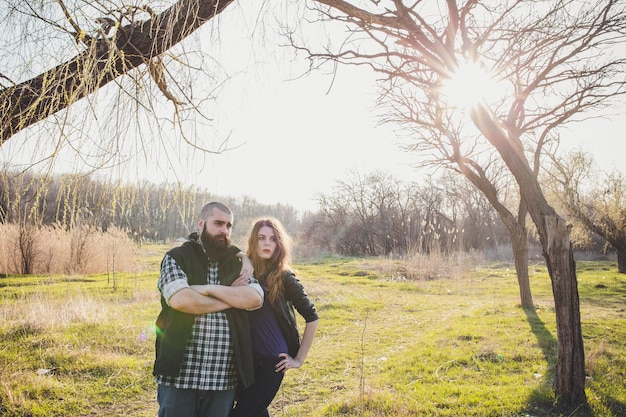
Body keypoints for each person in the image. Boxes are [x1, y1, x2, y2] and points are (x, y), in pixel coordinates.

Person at [153, 202, 264, 417]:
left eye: (229, 225)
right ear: (201, 223)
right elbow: (182, 300)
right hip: (180, 376)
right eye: (219, 223)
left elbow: (255, 298)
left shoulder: (237, 263)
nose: (225, 230)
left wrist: (207, 290)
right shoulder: (177, 257)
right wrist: (231, 299)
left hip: (223, 379)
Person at [229, 217, 319, 417]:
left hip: (273, 363)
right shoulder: (244, 272)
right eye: (261, 238)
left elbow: (312, 316)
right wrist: (244, 257)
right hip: (248, 362)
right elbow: (225, 249)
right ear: (254, 241)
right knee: (257, 412)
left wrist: (299, 359)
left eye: (273, 238)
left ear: (279, 243)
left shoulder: (284, 277)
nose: (267, 243)